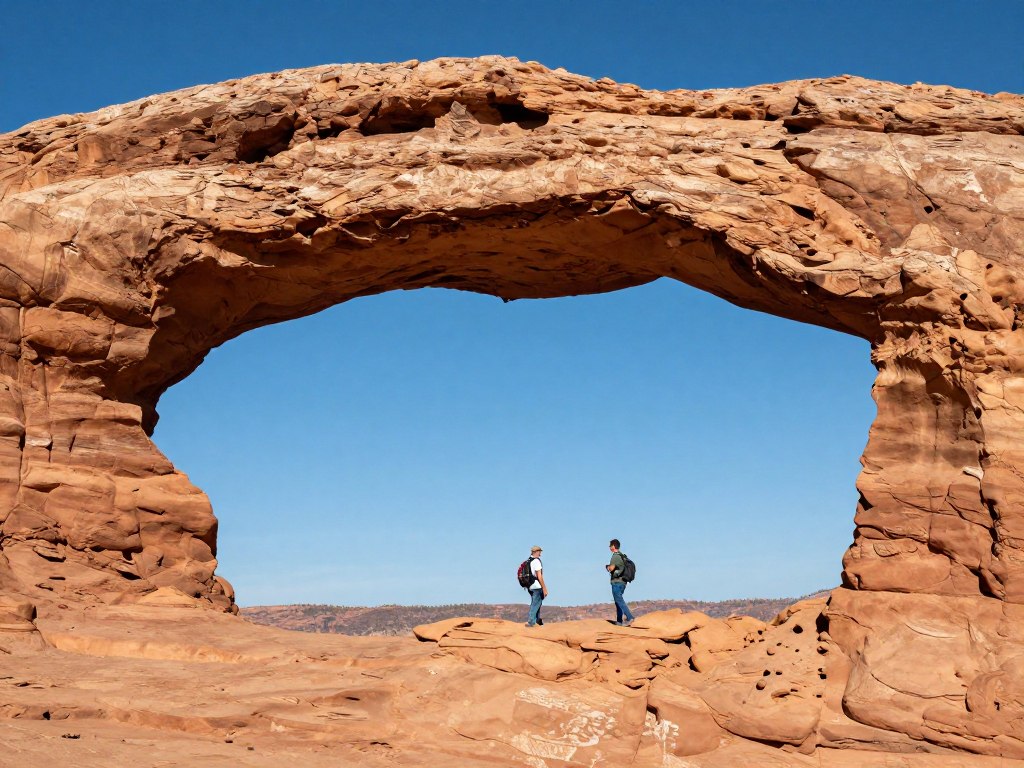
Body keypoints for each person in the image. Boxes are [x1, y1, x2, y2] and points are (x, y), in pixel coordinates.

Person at [606, 539, 635, 626]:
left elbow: (612, 568)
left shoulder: (615, 556)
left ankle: (630, 617)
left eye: (610, 545)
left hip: (617, 582)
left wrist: (607, 567)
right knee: (617, 600)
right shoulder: (622, 555)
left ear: (613, 546)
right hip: (623, 582)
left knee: (618, 599)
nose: (609, 547)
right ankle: (619, 621)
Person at [525, 545, 547, 627]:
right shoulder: (536, 561)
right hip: (536, 586)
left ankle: (537, 620)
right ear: (536, 552)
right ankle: (531, 622)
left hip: (530, 586)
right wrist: (544, 588)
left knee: (537, 603)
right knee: (536, 603)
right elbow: (539, 576)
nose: (540, 553)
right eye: (539, 552)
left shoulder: (528, 561)